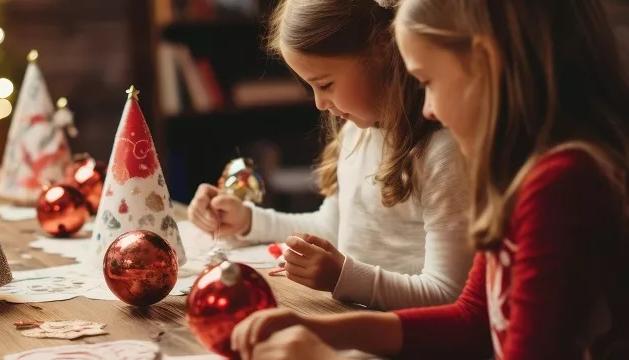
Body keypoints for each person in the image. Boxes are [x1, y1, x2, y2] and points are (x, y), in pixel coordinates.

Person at [230, 0, 629, 358]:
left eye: (427, 83)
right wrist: (319, 329)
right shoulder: (517, 176)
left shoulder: (561, 184)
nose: (430, 110)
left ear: (483, 62)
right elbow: (473, 320)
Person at [188, 0, 473, 311]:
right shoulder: (357, 133)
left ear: (383, 48)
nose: (320, 103)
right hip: (356, 320)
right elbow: (334, 227)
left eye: (325, 84)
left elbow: (450, 294)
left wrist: (342, 277)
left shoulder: (443, 153)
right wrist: (246, 220)